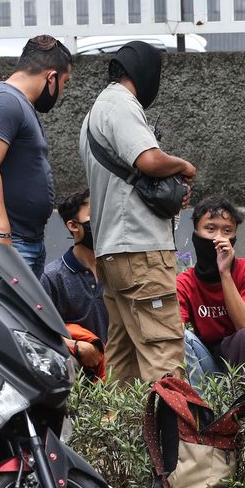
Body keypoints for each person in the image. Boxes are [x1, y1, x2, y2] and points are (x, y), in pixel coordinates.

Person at [80, 41, 196, 383]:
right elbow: (147, 159)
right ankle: (176, 438)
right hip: (141, 251)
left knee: (124, 358)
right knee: (163, 350)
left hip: (112, 252)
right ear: (144, 72)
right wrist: (183, 165)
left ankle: (117, 435)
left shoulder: (93, 115)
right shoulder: (121, 106)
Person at [0, 35, 73, 279]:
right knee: (4, 318)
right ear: (51, 77)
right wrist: (2, 233)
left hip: (25, 242)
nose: (62, 92)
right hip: (8, 243)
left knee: (24, 319)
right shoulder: (4, 102)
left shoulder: (19, 104)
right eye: (64, 82)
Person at [177, 196, 245, 394]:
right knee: (176, 335)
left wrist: (224, 272)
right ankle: (204, 408)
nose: (218, 238)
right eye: (210, 229)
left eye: (227, 231)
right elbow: (175, 331)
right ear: (196, 233)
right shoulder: (186, 281)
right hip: (214, 366)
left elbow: (243, 324)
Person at [40, 190, 107, 379]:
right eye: (94, 215)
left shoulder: (117, 271)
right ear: (73, 225)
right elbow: (37, 330)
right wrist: (76, 346)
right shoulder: (53, 276)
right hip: (80, 370)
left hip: (119, 369)